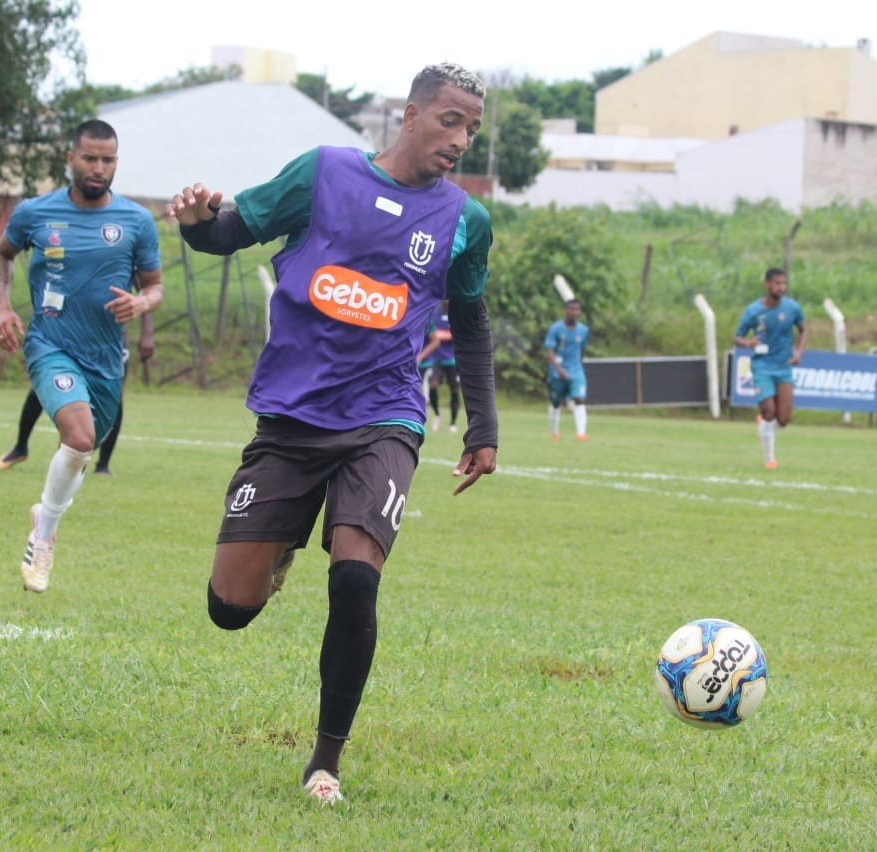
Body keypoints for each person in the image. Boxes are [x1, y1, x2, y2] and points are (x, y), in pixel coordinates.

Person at [167, 63, 498, 805]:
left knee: (355, 577)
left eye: (472, 127)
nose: (461, 139)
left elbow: (470, 322)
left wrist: (484, 424)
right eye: (451, 120)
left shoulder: (464, 220)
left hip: (384, 417)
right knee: (229, 610)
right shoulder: (321, 174)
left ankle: (325, 761)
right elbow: (228, 232)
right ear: (410, 115)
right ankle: (278, 548)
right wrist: (194, 222)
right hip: (290, 418)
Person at [0, 119, 163, 593]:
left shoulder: (136, 221)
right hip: (50, 345)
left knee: (82, 447)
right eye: (90, 157)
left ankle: (43, 513)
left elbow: (154, 287)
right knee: (80, 434)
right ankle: (44, 537)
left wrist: (142, 302)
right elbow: (1, 256)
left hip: (106, 358)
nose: (99, 168)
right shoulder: (35, 212)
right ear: (71, 158)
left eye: (108, 159)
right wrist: (3, 308)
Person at [0, 307, 155, 475]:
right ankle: (20, 448)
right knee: (44, 387)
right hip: (70, 331)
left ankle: (103, 466)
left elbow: (147, 287)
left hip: (109, 339)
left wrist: (147, 333)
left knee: (114, 395)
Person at [734, 267, 806, 469]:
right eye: (777, 283)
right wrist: (748, 343)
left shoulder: (792, 308)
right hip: (762, 367)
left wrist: (799, 352)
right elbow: (737, 336)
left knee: (783, 419)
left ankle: (764, 427)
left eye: (784, 283)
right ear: (767, 284)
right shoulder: (753, 311)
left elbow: (803, 329)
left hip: (783, 367)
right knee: (768, 411)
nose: (781, 287)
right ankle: (769, 459)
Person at [544, 298, 590, 440]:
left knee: (579, 399)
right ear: (565, 310)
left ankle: (581, 434)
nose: (574, 312)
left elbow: (581, 349)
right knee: (556, 402)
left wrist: (578, 367)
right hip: (558, 371)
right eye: (571, 309)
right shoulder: (556, 329)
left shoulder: (584, 330)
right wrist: (558, 369)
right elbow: (550, 351)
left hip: (576, 370)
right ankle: (554, 433)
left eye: (577, 309)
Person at [417, 301, 461, 432]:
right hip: (436, 359)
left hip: (453, 359)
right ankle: (437, 414)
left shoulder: (458, 313)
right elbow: (433, 334)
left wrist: (443, 335)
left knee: (454, 388)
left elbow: (461, 333)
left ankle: (452, 423)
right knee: (433, 384)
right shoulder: (434, 313)